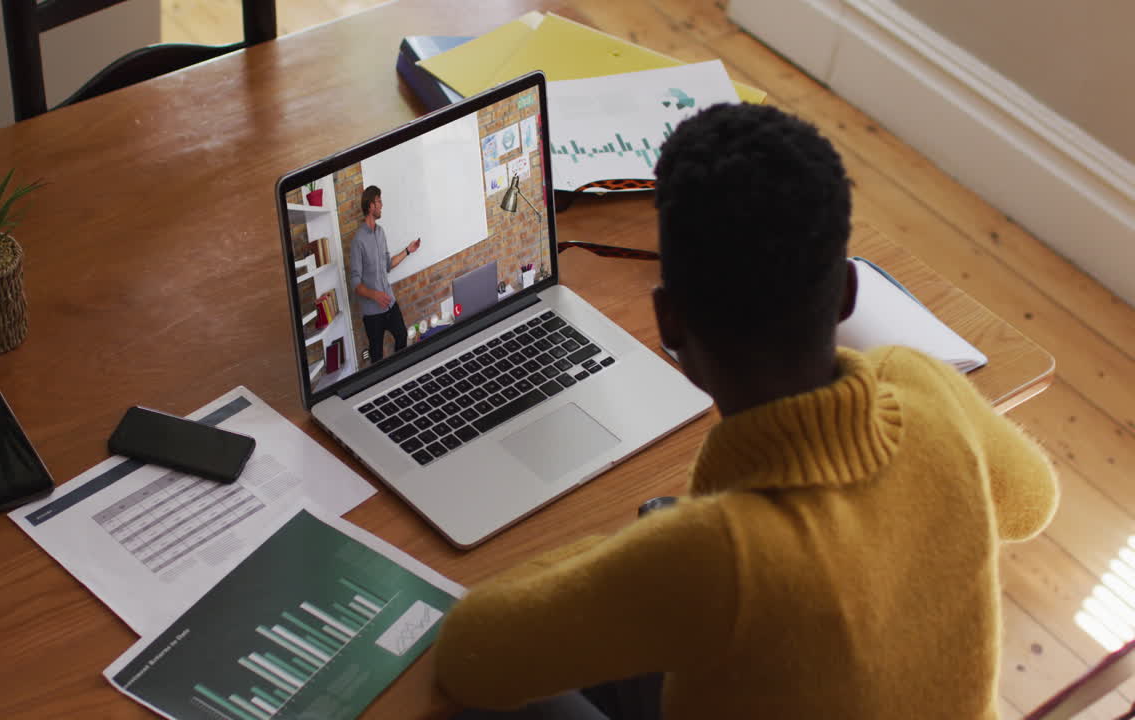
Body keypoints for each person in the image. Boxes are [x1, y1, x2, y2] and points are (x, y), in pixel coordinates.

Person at [433, 103, 1059, 718]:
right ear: (847, 292)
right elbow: (1032, 503)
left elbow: (469, 655)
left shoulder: (712, 557)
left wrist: (639, 551)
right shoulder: (924, 384)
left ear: (669, 321)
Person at [350, 185, 421, 362]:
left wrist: (408, 250)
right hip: (372, 313)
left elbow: (388, 264)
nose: (382, 205)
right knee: (377, 356)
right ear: (370, 206)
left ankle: (399, 370)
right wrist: (374, 295)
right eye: (379, 201)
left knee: (402, 336)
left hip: (390, 303)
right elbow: (355, 283)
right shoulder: (358, 241)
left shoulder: (381, 232)